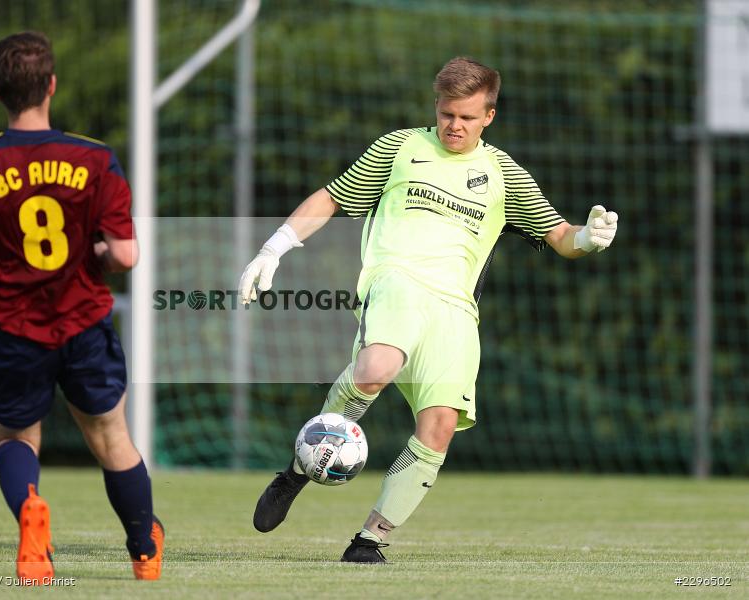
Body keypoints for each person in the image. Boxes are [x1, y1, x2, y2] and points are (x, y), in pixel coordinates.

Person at [238, 57, 618, 563]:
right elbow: (330, 198)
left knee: (439, 425)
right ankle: (299, 470)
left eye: (465, 117)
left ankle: (369, 541)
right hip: (395, 281)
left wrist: (589, 240)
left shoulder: (504, 172)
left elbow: (561, 237)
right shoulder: (399, 148)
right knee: (375, 368)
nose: (453, 126)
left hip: (456, 309)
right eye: (446, 114)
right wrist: (274, 248)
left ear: (489, 116)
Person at [0, 31, 163, 583]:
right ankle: (143, 547)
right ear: (52, 86)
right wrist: (100, 254)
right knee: (112, 437)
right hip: (84, 322)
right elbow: (127, 255)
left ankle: (32, 514)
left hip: (14, 328)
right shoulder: (95, 158)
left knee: (13, 438)